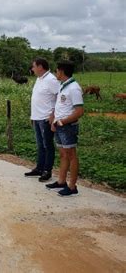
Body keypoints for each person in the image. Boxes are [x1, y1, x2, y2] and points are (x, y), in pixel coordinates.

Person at [46, 60, 84, 196]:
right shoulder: (63, 86)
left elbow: (79, 111)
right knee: (63, 154)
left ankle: (72, 186)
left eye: (56, 70)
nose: (56, 73)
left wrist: (63, 121)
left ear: (61, 71)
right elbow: (61, 107)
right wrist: (54, 121)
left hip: (67, 127)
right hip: (60, 125)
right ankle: (61, 181)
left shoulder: (74, 88)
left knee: (71, 155)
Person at [25, 58, 60, 181]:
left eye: (33, 66)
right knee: (40, 145)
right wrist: (32, 116)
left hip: (46, 118)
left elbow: (59, 97)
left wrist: (53, 114)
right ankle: (39, 168)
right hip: (37, 117)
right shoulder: (39, 79)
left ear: (40, 67)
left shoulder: (51, 80)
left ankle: (47, 170)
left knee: (47, 145)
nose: (32, 68)